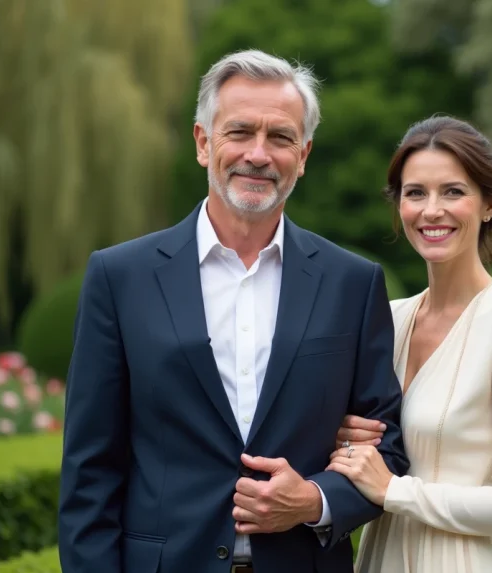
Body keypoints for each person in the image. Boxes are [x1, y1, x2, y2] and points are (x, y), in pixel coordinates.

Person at [57, 49, 409, 573]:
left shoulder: (353, 283)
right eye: (240, 132)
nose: (259, 154)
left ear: (304, 154)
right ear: (204, 143)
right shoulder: (120, 277)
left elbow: (390, 449)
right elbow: (90, 470)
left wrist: (316, 500)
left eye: (281, 137)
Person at [327, 115, 492, 572]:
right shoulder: (387, 320)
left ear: (488, 205)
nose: (432, 210)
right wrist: (342, 441)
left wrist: (395, 491)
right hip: (379, 556)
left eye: (453, 191)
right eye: (415, 193)